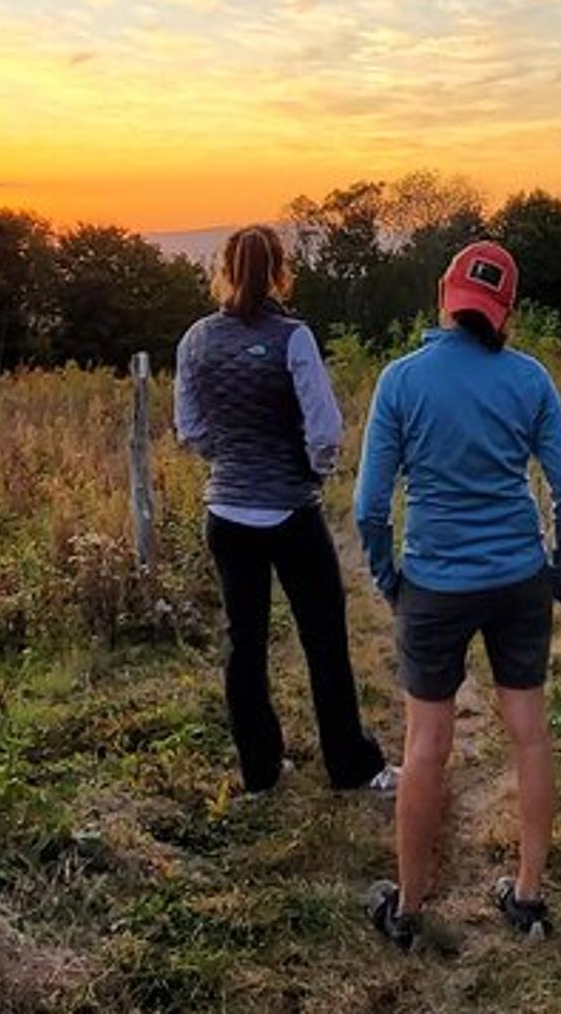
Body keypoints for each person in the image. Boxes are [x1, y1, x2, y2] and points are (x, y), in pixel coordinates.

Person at [355, 241, 561, 952]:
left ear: (443, 296)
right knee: (530, 731)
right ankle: (528, 894)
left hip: (434, 584)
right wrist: (558, 571)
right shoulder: (530, 378)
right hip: (519, 579)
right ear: (504, 311)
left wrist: (390, 578)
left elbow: (370, 507)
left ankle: (410, 909)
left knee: (425, 745)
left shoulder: (400, 380)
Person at [174, 224, 397, 799]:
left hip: (225, 512)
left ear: (223, 268)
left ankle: (261, 771)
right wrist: (312, 471)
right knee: (323, 637)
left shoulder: (196, 339)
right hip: (290, 513)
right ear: (279, 270)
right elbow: (324, 428)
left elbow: (190, 427)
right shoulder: (292, 338)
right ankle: (349, 763)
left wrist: (227, 460)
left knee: (242, 643)